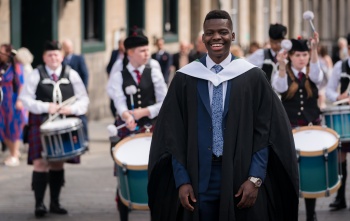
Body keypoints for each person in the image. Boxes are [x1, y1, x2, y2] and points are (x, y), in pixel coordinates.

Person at [148, 10, 299, 221]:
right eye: (210, 33)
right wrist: (182, 180)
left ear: (233, 36)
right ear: (203, 38)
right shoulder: (185, 79)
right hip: (197, 175)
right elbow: (173, 134)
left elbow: (265, 131)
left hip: (241, 173)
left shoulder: (252, 78)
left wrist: (255, 178)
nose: (216, 37)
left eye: (223, 32)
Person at [19, 40, 89, 218]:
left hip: (63, 125)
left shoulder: (71, 74)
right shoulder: (36, 74)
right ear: (44, 57)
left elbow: (84, 100)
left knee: (57, 163)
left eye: (56, 54)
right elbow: (25, 99)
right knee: (40, 163)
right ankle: (39, 204)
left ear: (62, 56)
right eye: (49, 55)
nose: (53, 58)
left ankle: (55, 203)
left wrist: (71, 109)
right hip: (41, 125)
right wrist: (45, 107)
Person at [106, 28, 167, 221]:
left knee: (154, 170)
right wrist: (126, 115)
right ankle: (124, 212)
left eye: (147, 50)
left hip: (151, 126)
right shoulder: (118, 75)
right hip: (128, 126)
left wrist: (145, 112)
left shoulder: (154, 72)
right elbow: (118, 100)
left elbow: (164, 101)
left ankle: (155, 211)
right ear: (130, 53)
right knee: (124, 168)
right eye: (142, 51)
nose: (147, 54)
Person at [272, 33, 323, 221]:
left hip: (312, 130)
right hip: (291, 130)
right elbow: (280, 88)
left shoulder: (313, 72)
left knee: (310, 171)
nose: (302, 59)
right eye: (298, 55)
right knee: (291, 172)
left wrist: (315, 48)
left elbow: (318, 74)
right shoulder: (283, 72)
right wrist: (282, 65)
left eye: (304, 55)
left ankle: (311, 214)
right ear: (291, 56)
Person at [325, 33, 350, 211]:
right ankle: (340, 198)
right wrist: (339, 96)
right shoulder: (340, 66)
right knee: (341, 159)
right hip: (344, 118)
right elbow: (329, 92)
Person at [0, 44, 25, 166]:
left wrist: (20, 100)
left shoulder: (17, 67)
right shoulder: (2, 67)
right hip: (2, 102)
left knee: (13, 128)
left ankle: (14, 154)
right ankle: (12, 152)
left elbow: (21, 85)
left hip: (13, 101)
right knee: (2, 128)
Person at [61, 39, 89, 144]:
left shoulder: (79, 58)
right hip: (67, 94)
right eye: (65, 47)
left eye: (69, 47)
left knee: (82, 116)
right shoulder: (62, 60)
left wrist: (84, 91)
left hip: (78, 91)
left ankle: (85, 139)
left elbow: (85, 74)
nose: (68, 49)